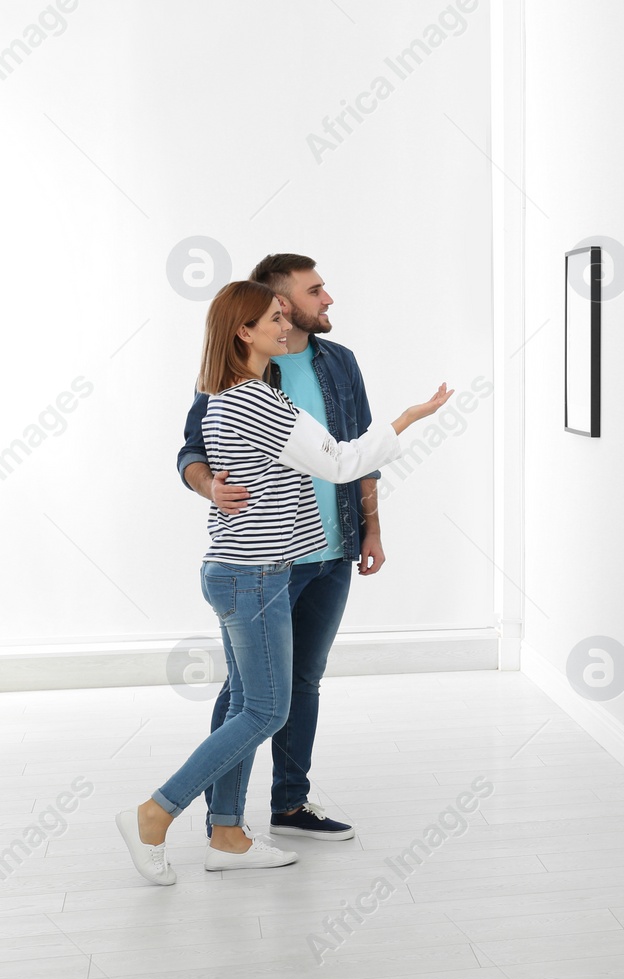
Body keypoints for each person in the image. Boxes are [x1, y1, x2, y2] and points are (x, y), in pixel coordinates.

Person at [117, 280, 451, 884]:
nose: (285, 324)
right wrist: (409, 417)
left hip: (239, 573)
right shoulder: (254, 400)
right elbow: (344, 463)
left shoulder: (229, 394)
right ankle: (153, 813)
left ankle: (226, 836)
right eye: (275, 317)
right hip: (256, 578)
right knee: (268, 710)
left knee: (248, 704)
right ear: (245, 332)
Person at [177, 253, 378, 843]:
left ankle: (290, 803)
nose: (328, 300)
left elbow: (359, 453)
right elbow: (192, 450)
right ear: (279, 304)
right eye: (316, 291)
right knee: (249, 697)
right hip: (264, 557)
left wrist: (372, 528)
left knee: (304, 683)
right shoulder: (239, 374)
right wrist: (209, 484)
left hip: (330, 547)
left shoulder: (339, 363)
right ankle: (223, 819)